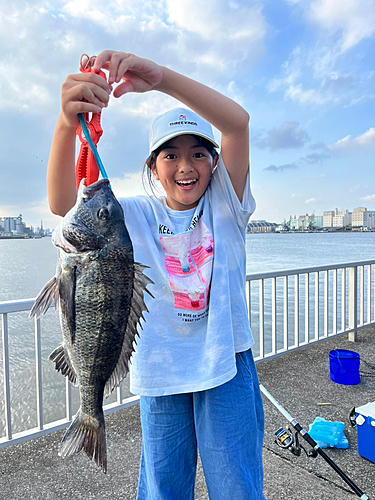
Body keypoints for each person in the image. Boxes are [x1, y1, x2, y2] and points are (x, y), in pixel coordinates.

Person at [47, 50, 265, 500]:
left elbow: (237, 124)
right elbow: (62, 204)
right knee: (164, 490)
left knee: (237, 488)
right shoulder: (131, 216)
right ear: (153, 167)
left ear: (215, 163)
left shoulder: (227, 204)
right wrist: (68, 124)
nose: (186, 167)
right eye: (170, 155)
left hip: (226, 366)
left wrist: (162, 79)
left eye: (199, 154)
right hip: (161, 373)